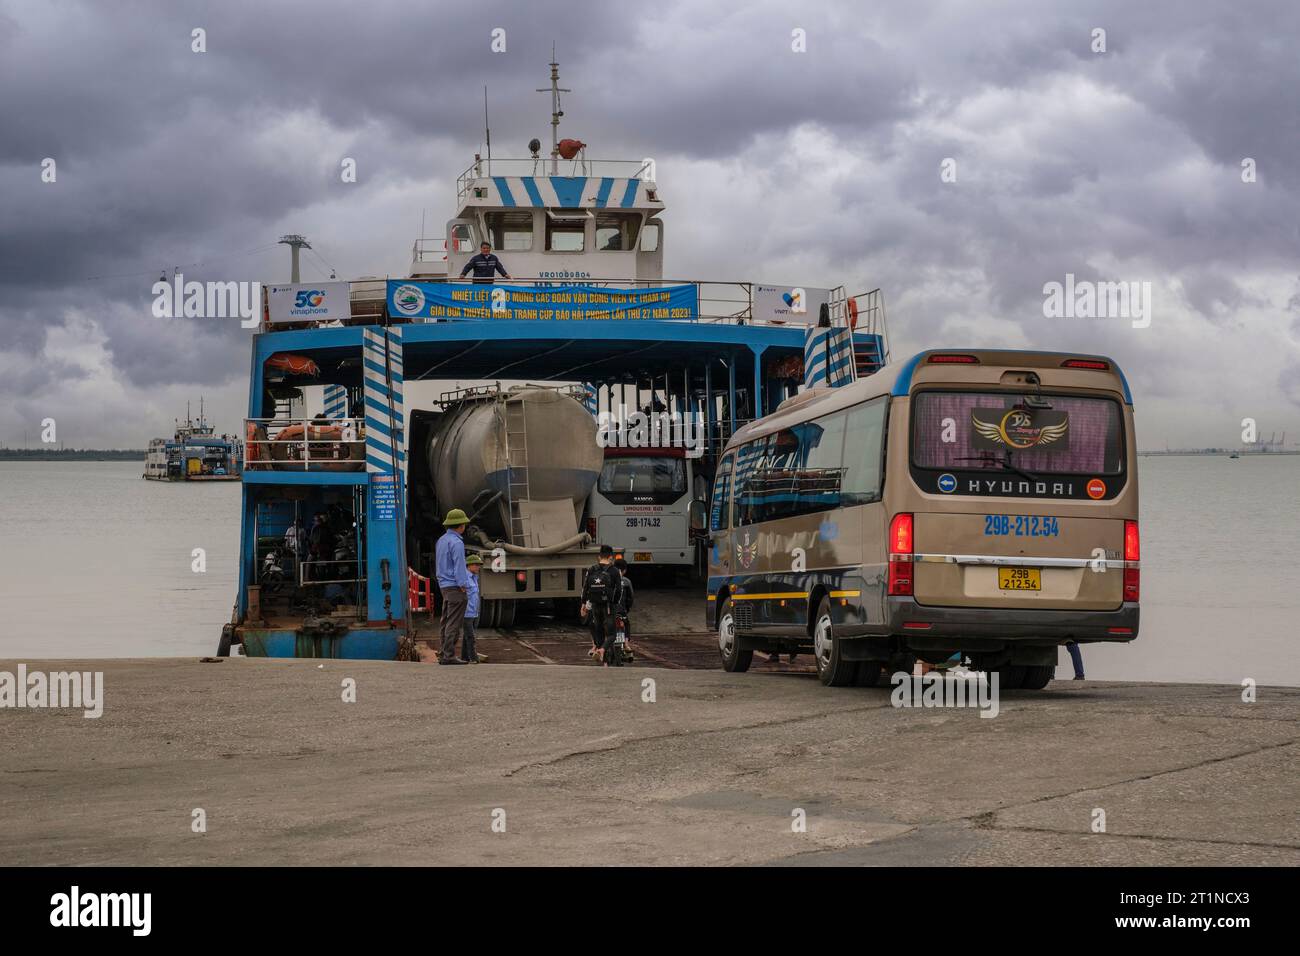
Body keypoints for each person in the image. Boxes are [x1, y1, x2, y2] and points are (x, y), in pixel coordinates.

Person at [435, 508, 472, 665]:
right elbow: (459, 565)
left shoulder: (441, 540)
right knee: (454, 623)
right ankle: (449, 655)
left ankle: (444, 653)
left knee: (446, 621)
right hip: (455, 586)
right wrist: (463, 584)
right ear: (461, 525)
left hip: (444, 585)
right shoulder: (457, 543)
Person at [581, 545, 619, 664]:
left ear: (599, 556)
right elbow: (619, 590)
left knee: (599, 631)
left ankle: (604, 660)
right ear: (611, 557)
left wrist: (583, 604)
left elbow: (585, 587)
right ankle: (602, 650)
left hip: (595, 605)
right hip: (608, 606)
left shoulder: (592, 569)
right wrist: (615, 603)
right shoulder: (614, 570)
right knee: (612, 634)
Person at [462, 552, 484, 663]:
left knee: (467, 636)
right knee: (470, 636)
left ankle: (464, 657)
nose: (478, 567)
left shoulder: (474, 578)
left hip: (473, 612)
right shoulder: (465, 578)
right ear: (469, 565)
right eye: (476, 565)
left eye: (479, 565)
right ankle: (474, 658)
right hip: (466, 612)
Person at [612, 556, 635, 663]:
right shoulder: (626, 581)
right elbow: (631, 597)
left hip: (609, 611)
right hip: (622, 612)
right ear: (625, 570)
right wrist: (627, 608)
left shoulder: (608, 579)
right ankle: (626, 644)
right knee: (627, 624)